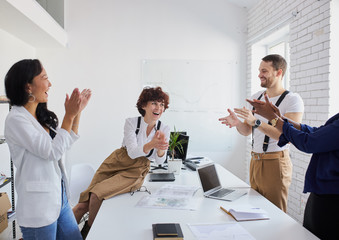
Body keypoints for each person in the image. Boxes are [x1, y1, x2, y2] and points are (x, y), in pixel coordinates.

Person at [4, 59, 91, 240]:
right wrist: (69, 115)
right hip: (38, 208)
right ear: (28, 86)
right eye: (44, 78)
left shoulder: (39, 116)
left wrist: (77, 113)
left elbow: (66, 141)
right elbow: (51, 152)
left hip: (60, 199)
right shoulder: (16, 119)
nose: (49, 84)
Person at [72, 86, 170, 239]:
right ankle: (61, 235)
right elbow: (131, 152)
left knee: (96, 196)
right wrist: (152, 144)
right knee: (82, 205)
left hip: (136, 169)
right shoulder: (131, 123)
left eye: (162, 104)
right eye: (154, 103)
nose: (159, 108)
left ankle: (87, 233)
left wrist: (161, 148)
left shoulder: (164, 128)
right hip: (116, 161)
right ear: (144, 105)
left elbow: (160, 160)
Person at [219, 54, 304, 212]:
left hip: (276, 162)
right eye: (259, 70)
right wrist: (238, 123)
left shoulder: (292, 99)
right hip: (255, 161)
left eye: (264, 71)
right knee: (255, 211)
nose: (259, 74)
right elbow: (247, 131)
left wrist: (256, 122)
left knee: (275, 214)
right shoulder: (256, 97)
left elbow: (286, 137)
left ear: (279, 73)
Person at [247, 94, 339, 240]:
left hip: (332, 199)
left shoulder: (293, 99)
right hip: (323, 194)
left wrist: (274, 120)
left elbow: (310, 142)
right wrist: (281, 119)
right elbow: (316, 132)